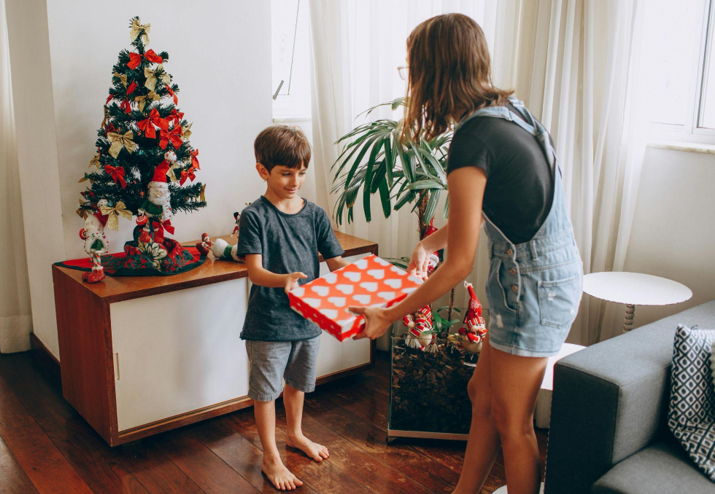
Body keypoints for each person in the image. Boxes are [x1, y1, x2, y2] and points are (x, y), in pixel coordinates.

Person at [350, 13, 583, 494]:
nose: (410, 80)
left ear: (432, 71)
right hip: (546, 277)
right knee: (481, 393)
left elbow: (459, 265)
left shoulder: (473, 138)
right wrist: (426, 242)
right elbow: (485, 210)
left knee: (513, 422)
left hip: (532, 291)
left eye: (411, 68)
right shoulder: (509, 113)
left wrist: (389, 314)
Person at [237, 125, 349, 491]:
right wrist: (283, 280)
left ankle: (296, 435)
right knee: (266, 391)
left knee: (298, 384)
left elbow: (337, 264)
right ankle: (271, 456)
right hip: (269, 322)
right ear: (262, 170)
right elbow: (254, 270)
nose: (295, 181)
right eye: (286, 173)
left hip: (307, 319)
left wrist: (373, 284)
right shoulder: (255, 216)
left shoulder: (314, 214)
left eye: (301, 172)